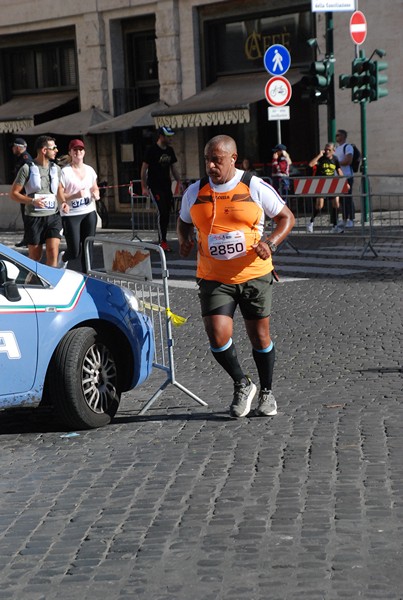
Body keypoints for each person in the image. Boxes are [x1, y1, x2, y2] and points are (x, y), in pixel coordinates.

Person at [177, 134, 295, 418]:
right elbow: (182, 222)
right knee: (217, 336)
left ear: (233, 159)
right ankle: (242, 383)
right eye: (207, 160)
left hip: (253, 274)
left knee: (260, 336)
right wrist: (184, 240)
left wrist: (271, 243)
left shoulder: (253, 186)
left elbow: (286, 218)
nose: (210, 166)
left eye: (216, 160)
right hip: (214, 277)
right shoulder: (195, 191)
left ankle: (266, 392)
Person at [10, 135, 67, 267]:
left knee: (53, 252)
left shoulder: (56, 169)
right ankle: (31, 283)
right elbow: (13, 194)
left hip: (53, 216)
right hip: (34, 218)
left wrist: (63, 201)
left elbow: (59, 189)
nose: (56, 150)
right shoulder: (27, 168)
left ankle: (50, 283)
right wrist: (32, 201)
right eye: (53, 148)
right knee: (35, 257)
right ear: (44, 150)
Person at [59, 139, 100, 272]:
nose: (78, 152)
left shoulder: (90, 170)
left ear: (84, 152)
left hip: (89, 212)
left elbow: (95, 187)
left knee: (88, 246)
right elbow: (59, 195)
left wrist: (96, 193)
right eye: (75, 150)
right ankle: (63, 258)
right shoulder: (65, 172)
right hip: (72, 215)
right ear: (70, 153)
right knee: (75, 251)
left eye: (80, 149)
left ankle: (87, 275)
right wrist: (73, 197)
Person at [141, 126, 182, 252]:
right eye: (168, 136)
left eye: (171, 136)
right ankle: (162, 241)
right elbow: (144, 169)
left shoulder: (170, 150)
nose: (170, 138)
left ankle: (163, 239)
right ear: (161, 136)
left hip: (166, 185)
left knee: (167, 212)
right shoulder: (152, 150)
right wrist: (144, 186)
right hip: (155, 185)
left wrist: (179, 182)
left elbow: (173, 168)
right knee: (162, 211)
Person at [306, 142, 344, 233]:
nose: (327, 151)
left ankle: (335, 226)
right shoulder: (321, 158)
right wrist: (319, 155)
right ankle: (311, 221)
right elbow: (311, 164)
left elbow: (338, 170)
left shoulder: (335, 159)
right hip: (320, 183)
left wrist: (344, 181)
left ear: (333, 151)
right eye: (326, 149)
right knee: (319, 206)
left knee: (336, 204)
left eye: (329, 150)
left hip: (332, 183)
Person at [11, 138, 33, 248]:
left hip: (25, 193)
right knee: (26, 218)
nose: (12, 149)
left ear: (18, 147)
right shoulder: (20, 158)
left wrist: (26, 191)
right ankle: (27, 239)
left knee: (28, 217)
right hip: (22, 193)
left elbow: (29, 175)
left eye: (14, 147)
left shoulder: (26, 158)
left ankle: (29, 240)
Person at [334, 129, 355, 228]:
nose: (337, 137)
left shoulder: (348, 147)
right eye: (336, 135)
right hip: (338, 177)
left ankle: (351, 219)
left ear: (343, 136)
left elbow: (348, 160)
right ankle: (344, 219)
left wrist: (336, 163)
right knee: (341, 200)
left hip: (346, 176)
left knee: (347, 199)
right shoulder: (336, 148)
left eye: (338, 135)